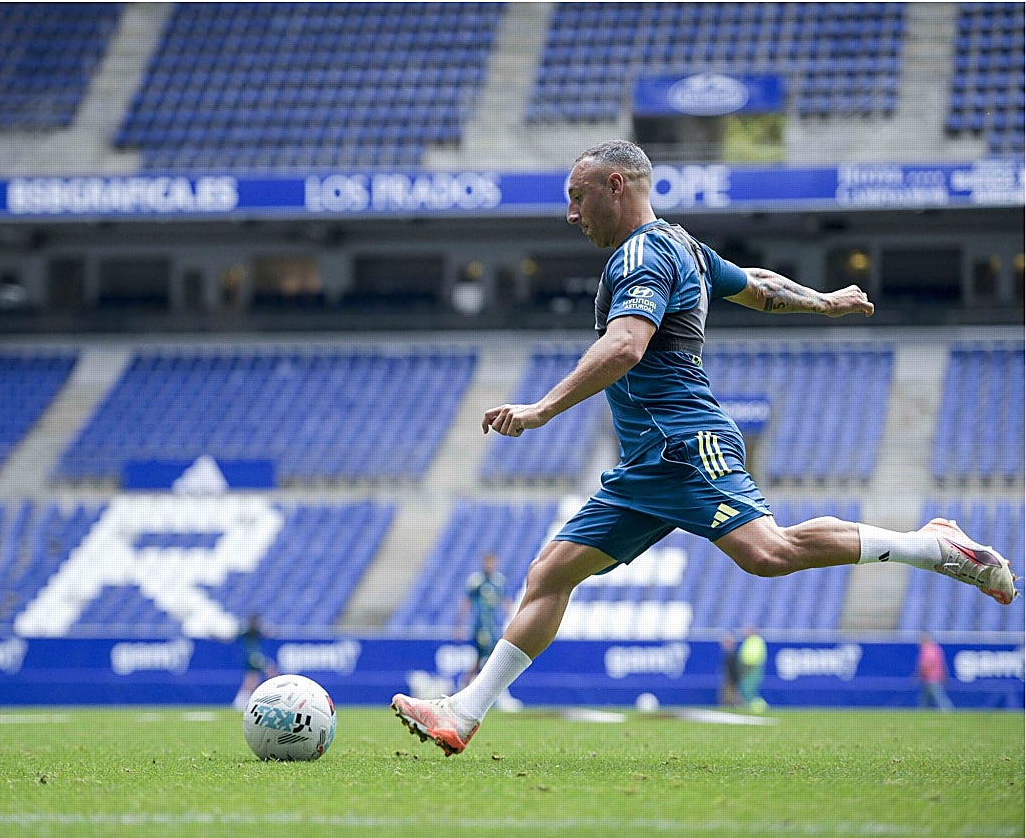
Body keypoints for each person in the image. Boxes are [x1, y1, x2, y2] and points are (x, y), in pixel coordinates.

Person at [391, 139, 1018, 756]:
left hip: (685, 444)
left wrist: (541, 409)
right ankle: (464, 712)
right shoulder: (681, 244)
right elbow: (757, 284)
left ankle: (934, 546)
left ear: (617, 185)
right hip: (646, 463)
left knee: (769, 553)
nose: (571, 215)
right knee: (549, 575)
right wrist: (823, 300)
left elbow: (625, 347)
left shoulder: (640, 255)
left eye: (578, 198)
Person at [455, 553, 522, 710]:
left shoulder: (499, 581)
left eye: (493, 562)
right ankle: (500, 694)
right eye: (488, 562)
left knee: (479, 662)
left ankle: (462, 691)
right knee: (493, 659)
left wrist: (513, 617)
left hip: (493, 626)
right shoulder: (476, 580)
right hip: (480, 627)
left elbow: (505, 601)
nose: (490, 565)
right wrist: (459, 625)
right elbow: (466, 602)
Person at [232, 613, 279, 711]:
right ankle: (275, 696)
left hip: (253, 656)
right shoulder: (249, 631)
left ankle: (242, 700)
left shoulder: (252, 631)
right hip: (253, 657)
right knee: (267, 673)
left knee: (252, 678)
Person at [916, 633, 953, 711]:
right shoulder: (937, 649)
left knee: (939, 696)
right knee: (925, 697)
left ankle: (948, 710)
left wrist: (919, 674)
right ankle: (921, 711)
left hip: (931, 678)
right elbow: (942, 664)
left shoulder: (927, 650)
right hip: (936, 677)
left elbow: (926, 664)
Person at [737, 628, 767, 711]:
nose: (745, 632)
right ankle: (749, 707)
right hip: (746, 668)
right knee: (745, 689)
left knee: (749, 689)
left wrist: (747, 664)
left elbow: (752, 655)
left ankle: (759, 707)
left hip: (753, 668)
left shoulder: (756, 640)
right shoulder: (749, 641)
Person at [718, 633, 741, 708]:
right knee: (729, 696)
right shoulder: (729, 654)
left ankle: (737, 707)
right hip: (731, 679)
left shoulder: (732, 655)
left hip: (732, 680)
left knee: (731, 696)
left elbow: (734, 669)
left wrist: (733, 680)